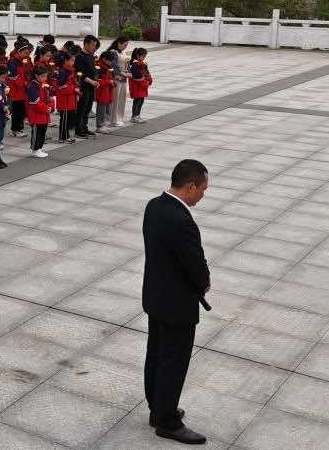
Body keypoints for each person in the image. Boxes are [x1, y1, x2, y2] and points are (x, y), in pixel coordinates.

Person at [142, 160, 211, 444]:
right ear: (190, 186)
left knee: (156, 355)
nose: (203, 195)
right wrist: (204, 282)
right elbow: (194, 264)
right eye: (203, 189)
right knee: (174, 361)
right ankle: (167, 421)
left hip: (156, 296)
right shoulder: (182, 221)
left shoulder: (154, 206)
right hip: (177, 304)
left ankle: (157, 409)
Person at [75, 35, 100, 137]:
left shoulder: (91, 56)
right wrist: (91, 81)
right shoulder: (80, 56)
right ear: (86, 44)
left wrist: (96, 80)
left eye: (95, 45)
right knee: (81, 108)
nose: (94, 47)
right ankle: (78, 129)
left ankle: (84, 128)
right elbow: (79, 73)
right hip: (83, 86)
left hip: (91, 85)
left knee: (88, 108)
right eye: (93, 45)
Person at [6, 43, 32, 138]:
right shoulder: (12, 62)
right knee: (17, 111)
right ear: (19, 52)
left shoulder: (22, 61)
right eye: (25, 53)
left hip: (21, 90)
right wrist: (24, 83)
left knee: (21, 110)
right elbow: (13, 77)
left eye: (28, 53)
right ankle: (15, 129)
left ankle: (18, 129)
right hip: (15, 91)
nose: (27, 55)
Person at [26, 65, 52, 159]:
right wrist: (46, 108)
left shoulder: (41, 85)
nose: (44, 78)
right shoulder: (33, 86)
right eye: (42, 76)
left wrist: (49, 104)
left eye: (45, 76)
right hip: (36, 114)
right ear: (36, 76)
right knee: (37, 132)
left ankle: (39, 148)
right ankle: (34, 149)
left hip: (43, 113)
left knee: (42, 131)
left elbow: (46, 98)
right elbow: (35, 102)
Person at [54, 52, 77, 143]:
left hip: (69, 99)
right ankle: (62, 137)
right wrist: (74, 89)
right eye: (71, 60)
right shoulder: (63, 71)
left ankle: (66, 136)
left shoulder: (69, 70)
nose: (73, 63)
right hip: (65, 100)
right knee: (64, 119)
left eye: (73, 61)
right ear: (66, 61)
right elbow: (61, 87)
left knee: (67, 120)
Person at [107, 36, 131, 127]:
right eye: (125, 44)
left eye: (127, 45)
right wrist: (122, 73)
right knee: (115, 99)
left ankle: (119, 117)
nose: (126, 46)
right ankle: (113, 119)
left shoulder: (124, 52)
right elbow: (113, 65)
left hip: (124, 78)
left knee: (122, 99)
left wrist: (128, 72)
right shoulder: (113, 52)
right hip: (116, 78)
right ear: (119, 43)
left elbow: (127, 64)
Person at [94, 49, 117, 133]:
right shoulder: (98, 66)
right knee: (101, 109)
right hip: (101, 91)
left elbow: (111, 77)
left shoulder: (108, 67)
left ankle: (104, 124)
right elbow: (97, 80)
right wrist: (109, 81)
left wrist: (113, 81)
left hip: (107, 91)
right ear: (104, 59)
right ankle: (99, 125)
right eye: (109, 60)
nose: (111, 62)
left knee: (106, 109)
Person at [129, 47, 153, 123]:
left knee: (141, 100)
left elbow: (146, 72)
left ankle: (138, 115)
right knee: (137, 101)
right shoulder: (134, 65)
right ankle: (134, 116)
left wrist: (149, 79)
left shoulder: (143, 64)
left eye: (144, 56)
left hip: (142, 86)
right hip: (137, 86)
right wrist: (144, 79)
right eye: (142, 56)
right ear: (138, 56)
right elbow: (136, 76)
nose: (143, 58)